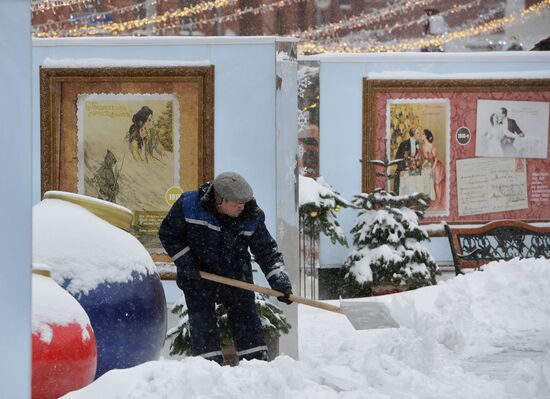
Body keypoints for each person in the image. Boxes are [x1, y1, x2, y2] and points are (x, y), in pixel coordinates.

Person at [159, 172, 293, 365]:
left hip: (236, 276)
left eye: (244, 202)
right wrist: (187, 261)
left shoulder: (251, 215)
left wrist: (279, 280)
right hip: (198, 276)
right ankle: (210, 374)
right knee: (203, 327)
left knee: (247, 324)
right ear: (220, 200)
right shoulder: (189, 205)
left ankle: (257, 370)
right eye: (237, 203)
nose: (242, 206)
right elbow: (168, 233)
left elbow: (266, 250)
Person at [421, 129, 445, 210]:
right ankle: (432, 199)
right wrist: (422, 166)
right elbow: (426, 159)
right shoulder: (423, 146)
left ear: (426, 136)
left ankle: (438, 202)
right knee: (431, 183)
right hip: (431, 165)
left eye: (423, 134)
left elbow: (435, 160)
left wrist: (432, 170)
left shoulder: (432, 146)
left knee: (437, 184)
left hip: (437, 166)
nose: (422, 136)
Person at [394, 127, 421, 194]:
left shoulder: (418, 144)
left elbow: (418, 158)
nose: (419, 135)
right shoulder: (404, 144)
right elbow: (398, 157)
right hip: (403, 169)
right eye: (417, 133)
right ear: (413, 134)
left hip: (413, 169)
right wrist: (402, 169)